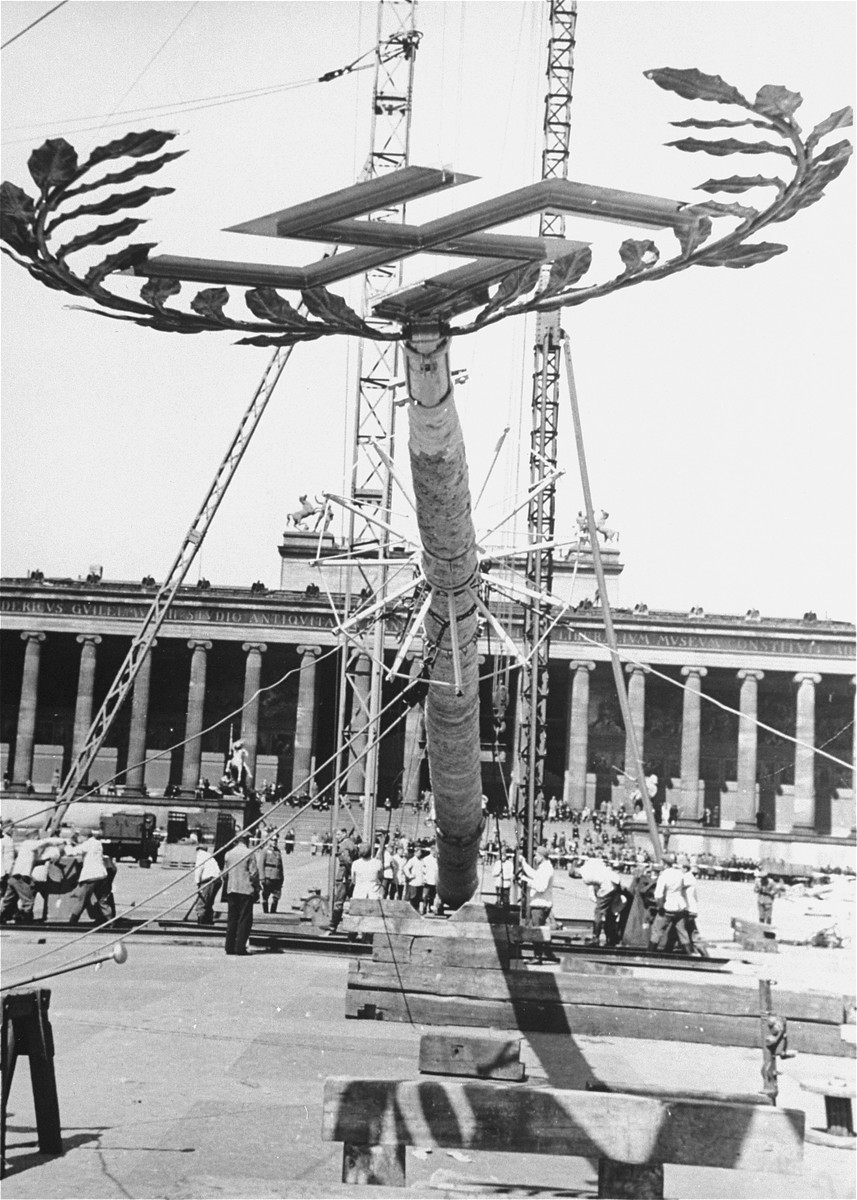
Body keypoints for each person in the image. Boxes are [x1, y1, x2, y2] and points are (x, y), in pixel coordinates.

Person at [649, 853, 698, 954]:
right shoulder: (679, 874)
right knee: (682, 932)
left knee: (657, 930)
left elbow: (658, 894)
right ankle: (690, 954)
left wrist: (660, 907)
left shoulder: (664, 875)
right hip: (680, 907)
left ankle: (650, 953)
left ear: (665, 863)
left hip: (668, 907)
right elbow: (686, 884)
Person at [222, 833, 260, 955]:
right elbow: (253, 873)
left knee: (232, 918)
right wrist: (257, 888)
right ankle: (240, 948)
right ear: (247, 840)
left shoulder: (229, 854)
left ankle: (229, 947)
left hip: (232, 890)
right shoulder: (249, 853)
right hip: (245, 890)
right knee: (244, 919)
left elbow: (224, 874)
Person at [66, 829, 113, 925]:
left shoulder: (87, 844)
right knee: (102, 901)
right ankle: (111, 921)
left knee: (81, 900)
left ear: (84, 837)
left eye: (79, 837)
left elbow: (71, 852)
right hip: (102, 875)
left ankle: (72, 922)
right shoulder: (97, 843)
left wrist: (67, 844)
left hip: (91, 876)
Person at [518, 845, 556, 964]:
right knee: (535, 929)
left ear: (542, 856)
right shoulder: (544, 867)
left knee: (537, 931)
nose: (535, 857)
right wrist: (523, 863)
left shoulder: (546, 869)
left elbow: (540, 887)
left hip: (540, 905)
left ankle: (538, 957)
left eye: (536, 855)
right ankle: (538, 955)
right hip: (540, 903)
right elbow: (535, 875)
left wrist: (525, 880)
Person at [579, 856, 626, 946]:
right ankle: (611, 938)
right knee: (608, 915)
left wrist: (600, 903)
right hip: (612, 892)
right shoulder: (606, 873)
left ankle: (596, 938)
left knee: (599, 914)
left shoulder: (594, 876)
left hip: (609, 893)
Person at [192, 843, 221, 925]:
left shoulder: (201, 855)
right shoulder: (209, 856)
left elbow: (198, 869)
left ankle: (202, 921)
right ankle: (208, 919)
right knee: (209, 901)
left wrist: (197, 882)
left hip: (209, 880)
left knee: (202, 902)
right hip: (217, 879)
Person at [260, 838, 285, 913]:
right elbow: (261, 864)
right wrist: (262, 877)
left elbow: (281, 865)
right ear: (269, 841)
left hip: (277, 876)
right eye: (272, 840)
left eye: (275, 840)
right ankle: (265, 910)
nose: (274, 842)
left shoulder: (278, 851)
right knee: (266, 894)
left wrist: (282, 877)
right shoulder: (265, 851)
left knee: (276, 894)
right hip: (268, 876)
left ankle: (273, 910)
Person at [403, 843, 425, 912]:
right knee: (413, 898)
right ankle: (412, 911)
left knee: (418, 898)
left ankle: (417, 911)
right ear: (415, 853)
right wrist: (410, 876)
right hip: (414, 883)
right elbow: (405, 868)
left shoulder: (422, 861)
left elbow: (424, 870)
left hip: (420, 883)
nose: (420, 853)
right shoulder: (412, 860)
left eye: (420, 852)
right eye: (418, 852)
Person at [492, 844, 514, 909]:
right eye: (502, 856)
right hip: (498, 884)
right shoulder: (497, 863)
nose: (503, 857)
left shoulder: (510, 864)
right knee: (498, 899)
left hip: (506, 884)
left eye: (504, 856)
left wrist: (505, 875)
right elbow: (493, 873)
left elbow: (511, 874)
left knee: (506, 900)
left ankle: (506, 910)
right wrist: (498, 872)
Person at [422, 843, 439, 914]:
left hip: (434, 881)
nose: (434, 852)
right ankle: (424, 908)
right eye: (433, 851)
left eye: (435, 851)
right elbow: (423, 870)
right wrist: (424, 878)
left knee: (432, 896)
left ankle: (430, 908)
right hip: (427, 880)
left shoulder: (437, 860)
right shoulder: (426, 859)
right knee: (425, 896)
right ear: (431, 851)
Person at [1, 821, 15, 899]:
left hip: (9, 871)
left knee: (6, 893)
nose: (13, 830)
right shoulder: (3, 839)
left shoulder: (9, 839)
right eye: (11, 827)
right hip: (4, 871)